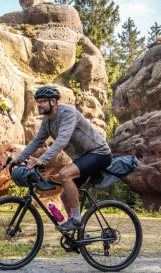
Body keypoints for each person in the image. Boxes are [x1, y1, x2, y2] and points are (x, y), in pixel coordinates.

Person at [14, 86, 112, 232]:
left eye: (42, 101)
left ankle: (77, 220)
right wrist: (17, 159)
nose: (39, 104)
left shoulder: (68, 113)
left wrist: (42, 160)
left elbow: (62, 140)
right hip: (83, 158)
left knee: (65, 174)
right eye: (37, 101)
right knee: (65, 195)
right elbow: (36, 141)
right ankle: (76, 230)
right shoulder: (47, 121)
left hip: (99, 153)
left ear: (53, 101)